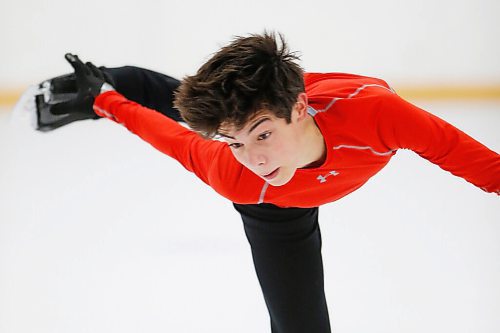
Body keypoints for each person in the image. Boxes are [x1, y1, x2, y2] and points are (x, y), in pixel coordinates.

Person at [35, 32, 500, 333]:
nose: (255, 158)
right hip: (279, 210)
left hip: (328, 104)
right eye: (236, 142)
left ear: (297, 109)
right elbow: (175, 139)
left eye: (263, 134)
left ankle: (122, 83)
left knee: (225, 116)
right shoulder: (240, 174)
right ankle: (110, 82)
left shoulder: (377, 114)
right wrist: (108, 103)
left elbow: (483, 166)